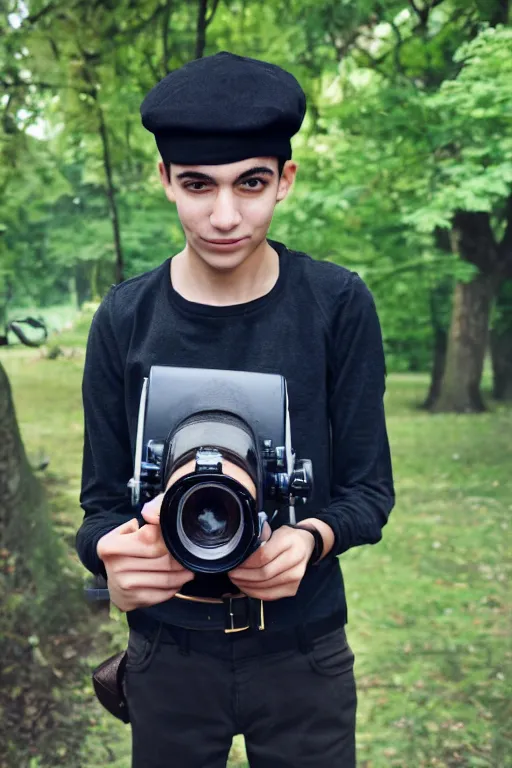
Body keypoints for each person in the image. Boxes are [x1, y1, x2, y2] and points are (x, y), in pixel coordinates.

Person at [76, 51, 395, 768]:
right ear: (165, 181)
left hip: (302, 652)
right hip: (168, 656)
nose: (225, 216)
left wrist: (310, 538)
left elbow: (369, 494)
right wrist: (107, 559)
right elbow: (99, 506)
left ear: (284, 179)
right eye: (198, 185)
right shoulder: (125, 317)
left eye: (250, 183)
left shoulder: (336, 305)